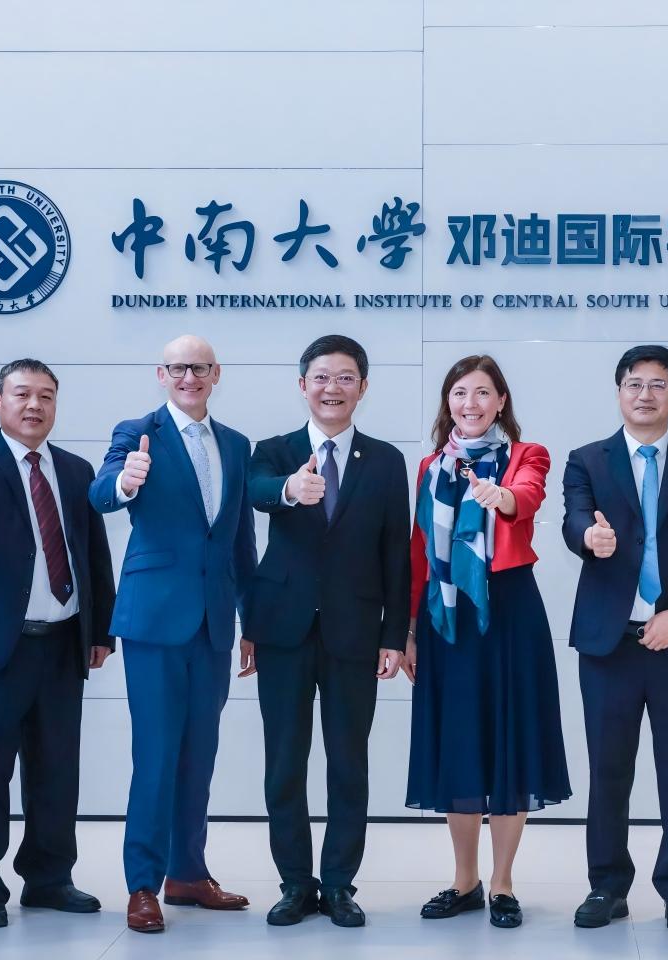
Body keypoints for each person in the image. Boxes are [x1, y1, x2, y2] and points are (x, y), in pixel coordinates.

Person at [0, 359, 116, 928]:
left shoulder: (77, 470)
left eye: (45, 396)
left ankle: (50, 878)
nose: (34, 405)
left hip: (62, 643)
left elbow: (93, 553)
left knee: (57, 769)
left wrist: (100, 631)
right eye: (22, 394)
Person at [561, 345, 668, 933]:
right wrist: (590, 538)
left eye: (658, 385)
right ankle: (607, 885)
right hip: (608, 643)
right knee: (609, 769)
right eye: (634, 383)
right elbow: (574, 518)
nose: (645, 394)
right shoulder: (587, 459)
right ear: (619, 392)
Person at [242, 335, 410, 929]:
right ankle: (295, 882)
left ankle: (339, 883)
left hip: (356, 632)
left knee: (348, 762)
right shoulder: (274, 450)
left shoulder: (385, 461)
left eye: (344, 378)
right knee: (284, 763)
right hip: (282, 631)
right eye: (320, 377)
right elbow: (255, 492)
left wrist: (395, 635)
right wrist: (290, 489)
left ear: (362, 387)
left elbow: (396, 554)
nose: (331, 388)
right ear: (302, 385)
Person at [91, 334, 257, 934]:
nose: (190, 377)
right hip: (155, 621)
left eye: (200, 367)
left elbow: (239, 537)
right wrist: (126, 480)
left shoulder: (236, 445)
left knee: (199, 753)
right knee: (156, 754)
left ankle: (188, 872)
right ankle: (143, 882)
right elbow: (101, 493)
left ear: (216, 373)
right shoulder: (138, 433)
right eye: (179, 367)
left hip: (213, 622)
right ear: (162, 373)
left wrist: (250, 620)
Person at [404, 354, 571, 930]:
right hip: (445, 617)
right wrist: (409, 631)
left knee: (509, 742)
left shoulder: (527, 455)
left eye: (481, 393)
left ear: (501, 402)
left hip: (508, 613)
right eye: (459, 393)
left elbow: (526, 497)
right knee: (458, 742)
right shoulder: (430, 466)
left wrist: (498, 496)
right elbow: (421, 552)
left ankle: (502, 883)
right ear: (447, 403)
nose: (469, 403)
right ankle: (464, 881)